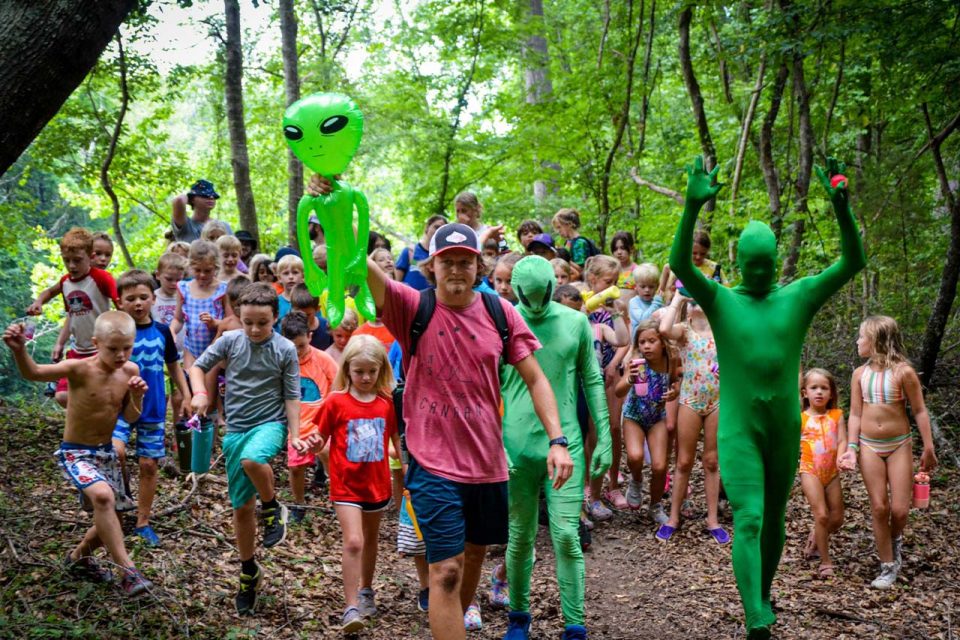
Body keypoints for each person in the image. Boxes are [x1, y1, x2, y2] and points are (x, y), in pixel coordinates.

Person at [669, 156, 865, 639]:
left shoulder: (797, 296)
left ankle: (762, 591)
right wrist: (692, 206)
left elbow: (853, 262)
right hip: (738, 426)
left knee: (775, 517)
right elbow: (678, 264)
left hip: (783, 428)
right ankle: (754, 612)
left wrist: (842, 210)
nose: (758, 273)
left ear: (777, 262)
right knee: (751, 516)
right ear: (738, 263)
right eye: (750, 266)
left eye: (766, 266)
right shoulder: (720, 300)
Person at [362, 221, 574, 640]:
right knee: (445, 571)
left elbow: (536, 379)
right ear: (432, 267)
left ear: (479, 266)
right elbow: (360, 264)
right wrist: (334, 198)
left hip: (487, 463)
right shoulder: (411, 307)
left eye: (465, 262)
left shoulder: (500, 312)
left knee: (474, 556)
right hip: (432, 460)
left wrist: (558, 440)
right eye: (447, 262)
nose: (456, 270)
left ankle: (449, 627)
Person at [500, 256, 611, 640]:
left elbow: (593, 380)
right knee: (519, 534)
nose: (534, 303)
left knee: (566, 533)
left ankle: (575, 625)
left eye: (541, 294)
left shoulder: (575, 321)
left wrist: (605, 437)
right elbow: (487, 387)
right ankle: (518, 617)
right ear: (515, 290)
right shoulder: (501, 321)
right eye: (526, 296)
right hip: (514, 445)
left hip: (567, 444)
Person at [3, 312, 153, 595]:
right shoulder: (78, 368)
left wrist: (137, 395)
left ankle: (79, 558)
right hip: (76, 453)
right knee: (103, 497)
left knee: (114, 518)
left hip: (106, 453)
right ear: (96, 342)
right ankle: (128, 572)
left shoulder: (130, 371)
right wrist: (20, 350)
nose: (121, 355)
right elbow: (33, 373)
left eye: (127, 348)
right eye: (112, 348)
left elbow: (131, 416)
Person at [189, 282, 302, 616]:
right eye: (248, 321)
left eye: (262, 323)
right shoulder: (230, 341)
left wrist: (295, 434)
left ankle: (273, 507)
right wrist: (199, 393)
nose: (254, 329)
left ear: (275, 318)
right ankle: (249, 570)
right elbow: (198, 366)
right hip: (235, 430)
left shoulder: (285, 349)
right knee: (240, 509)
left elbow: (291, 395)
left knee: (255, 459)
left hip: (270, 424)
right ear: (239, 316)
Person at [839, 316, 937, 589]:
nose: (858, 341)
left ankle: (894, 540)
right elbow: (855, 414)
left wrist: (928, 446)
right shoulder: (859, 374)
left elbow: (919, 410)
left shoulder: (903, 372)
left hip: (899, 444)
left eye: (862, 336)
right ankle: (887, 565)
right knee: (880, 507)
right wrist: (851, 447)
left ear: (877, 340)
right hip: (869, 446)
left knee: (900, 510)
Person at [314, 334, 400, 632]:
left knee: (371, 539)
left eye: (371, 371)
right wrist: (310, 444)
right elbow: (320, 439)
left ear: (381, 371)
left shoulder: (387, 403)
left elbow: (395, 440)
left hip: (376, 485)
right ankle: (350, 607)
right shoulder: (336, 402)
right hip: (346, 486)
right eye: (359, 371)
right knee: (354, 541)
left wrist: (409, 474)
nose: (365, 377)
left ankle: (366, 589)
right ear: (347, 369)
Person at [112, 270, 191, 546]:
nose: (138, 303)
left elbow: (174, 367)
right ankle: (121, 502)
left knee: (148, 464)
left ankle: (143, 521)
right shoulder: (116, 333)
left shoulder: (161, 332)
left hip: (153, 409)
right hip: (118, 408)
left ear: (153, 298)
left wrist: (188, 394)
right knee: (115, 452)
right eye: (130, 298)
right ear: (119, 302)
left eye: (143, 297)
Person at [656, 291, 727, 543]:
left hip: (717, 401)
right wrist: (679, 297)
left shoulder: (722, 328)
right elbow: (663, 329)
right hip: (689, 401)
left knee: (711, 460)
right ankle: (674, 518)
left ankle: (712, 520)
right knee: (684, 461)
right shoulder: (684, 331)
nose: (698, 303)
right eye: (694, 300)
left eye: (701, 298)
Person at [25, 227, 119, 408]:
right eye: (66, 261)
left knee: (99, 393)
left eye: (77, 260)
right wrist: (39, 303)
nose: (72, 266)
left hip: (100, 349)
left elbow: (120, 304)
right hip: (77, 349)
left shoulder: (101, 278)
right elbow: (70, 313)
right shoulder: (66, 282)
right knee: (62, 396)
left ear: (89, 257)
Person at [616, 319, 680, 522]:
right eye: (642, 342)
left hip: (657, 418)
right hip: (634, 416)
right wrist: (629, 379)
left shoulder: (670, 360)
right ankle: (635, 481)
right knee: (634, 457)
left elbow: (676, 382)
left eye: (651, 341)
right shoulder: (635, 362)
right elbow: (618, 392)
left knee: (660, 466)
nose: (646, 346)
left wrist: (673, 393)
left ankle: (655, 505)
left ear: (662, 342)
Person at [581, 255, 630, 515]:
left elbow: (625, 339)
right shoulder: (582, 303)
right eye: (608, 281)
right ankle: (589, 485)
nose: (614, 286)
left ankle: (611, 484)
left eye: (616, 281)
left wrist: (614, 366)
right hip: (586, 376)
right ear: (593, 279)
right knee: (590, 433)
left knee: (612, 427)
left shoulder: (616, 306)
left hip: (611, 371)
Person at [280, 311, 338, 524]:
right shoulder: (282, 361)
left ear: (310, 337)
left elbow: (338, 385)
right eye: (292, 347)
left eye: (302, 346)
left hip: (321, 423)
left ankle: (338, 499)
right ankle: (299, 503)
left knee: (327, 453)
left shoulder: (323, 359)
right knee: (296, 468)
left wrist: (330, 416)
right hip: (297, 426)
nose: (298, 352)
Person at [798, 368, 846, 579]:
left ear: (831, 393)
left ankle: (817, 534)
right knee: (822, 515)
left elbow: (843, 440)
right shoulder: (800, 418)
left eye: (824, 388)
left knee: (837, 519)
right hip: (810, 470)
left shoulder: (836, 415)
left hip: (832, 472)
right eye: (814, 388)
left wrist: (843, 456)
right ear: (804, 393)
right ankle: (825, 561)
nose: (819, 392)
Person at [170, 240, 227, 375]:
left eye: (207, 271)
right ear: (190, 266)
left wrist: (214, 323)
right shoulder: (183, 288)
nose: (202, 275)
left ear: (216, 267)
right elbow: (178, 319)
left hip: (215, 349)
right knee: (191, 382)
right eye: (197, 270)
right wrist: (171, 331)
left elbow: (229, 322)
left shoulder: (223, 289)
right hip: (191, 349)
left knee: (210, 390)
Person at [153, 252, 189, 417]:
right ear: (158, 275)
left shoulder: (186, 297)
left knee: (180, 397)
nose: (175, 283)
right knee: (161, 396)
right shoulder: (152, 298)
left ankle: (177, 437)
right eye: (169, 279)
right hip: (158, 356)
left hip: (181, 355)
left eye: (179, 279)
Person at [396, 215, 448, 289]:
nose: (438, 231)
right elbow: (396, 283)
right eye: (436, 227)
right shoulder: (410, 251)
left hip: (431, 299)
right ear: (427, 228)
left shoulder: (442, 257)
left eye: (442, 230)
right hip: (407, 298)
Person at [291, 283, 333, 351]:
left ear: (317, 309)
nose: (303, 318)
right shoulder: (288, 329)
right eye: (299, 314)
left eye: (308, 315)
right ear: (292, 308)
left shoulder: (326, 326)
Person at [627, 263, 664, 338]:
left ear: (657, 287)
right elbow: (643, 320)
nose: (647, 290)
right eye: (643, 286)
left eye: (651, 287)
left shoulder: (658, 302)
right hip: (640, 343)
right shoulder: (634, 302)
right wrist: (656, 303)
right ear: (636, 286)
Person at [275, 254, 305, 327]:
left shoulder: (309, 299)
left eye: (295, 272)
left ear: (303, 276)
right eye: (286, 273)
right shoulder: (275, 302)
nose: (291, 277)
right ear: (279, 278)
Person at [610, 231, 638, 304]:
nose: (619, 252)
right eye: (615, 249)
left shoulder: (637, 271)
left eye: (622, 248)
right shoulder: (609, 271)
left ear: (631, 249)